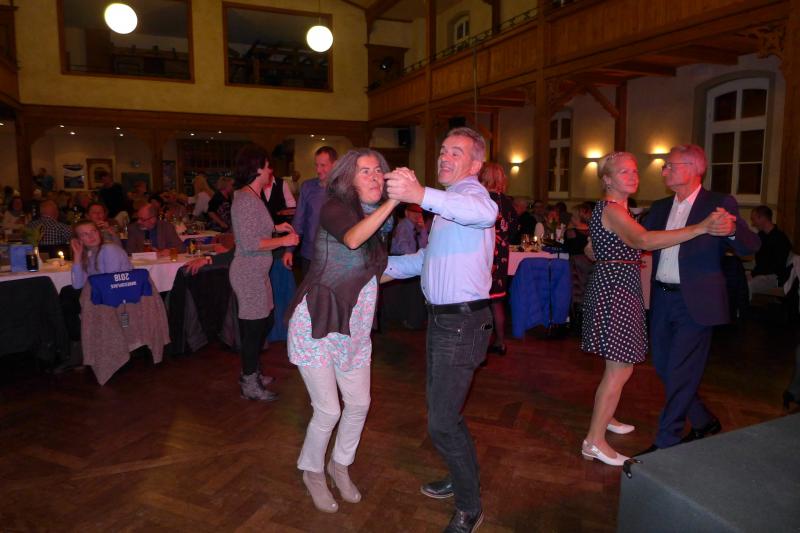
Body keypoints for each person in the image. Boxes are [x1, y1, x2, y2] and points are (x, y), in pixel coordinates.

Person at [580, 151, 731, 467]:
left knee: (617, 366)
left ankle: (606, 416)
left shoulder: (618, 210)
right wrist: (700, 227)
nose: (633, 176)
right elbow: (644, 241)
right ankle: (594, 441)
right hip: (616, 291)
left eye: (634, 171)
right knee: (620, 368)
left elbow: (595, 246)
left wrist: (596, 247)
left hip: (618, 287)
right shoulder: (613, 210)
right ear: (607, 179)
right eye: (624, 172)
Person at [383, 127, 497, 533]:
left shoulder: (472, 196)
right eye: (444, 150)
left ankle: (470, 506)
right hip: (444, 321)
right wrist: (376, 269)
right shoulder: (449, 207)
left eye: (457, 153)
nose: (445, 157)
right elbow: (426, 259)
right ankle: (462, 477)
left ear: (476, 164)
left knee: (442, 421)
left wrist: (420, 194)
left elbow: (486, 213)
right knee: (444, 414)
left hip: (462, 323)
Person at [285, 148, 397, 513]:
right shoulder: (334, 208)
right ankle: (312, 471)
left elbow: (372, 270)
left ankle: (340, 464)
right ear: (348, 178)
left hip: (354, 329)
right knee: (328, 410)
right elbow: (352, 240)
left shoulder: (375, 220)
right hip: (318, 323)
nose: (375, 177)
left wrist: (428, 264)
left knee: (359, 403)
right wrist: (394, 202)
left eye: (378, 170)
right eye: (365, 171)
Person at [639, 144, 759, 454]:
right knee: (664, 367)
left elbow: (750, 245)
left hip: (696, 302)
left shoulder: (718, 203)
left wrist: (731, 230)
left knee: (680, 371)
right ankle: (704, 420)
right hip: (662, 298)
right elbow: (640, 240)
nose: (664, 171)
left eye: (670, 165)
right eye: (665, 166)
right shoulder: (660, 207)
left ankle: (666, 441)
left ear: (694, 169)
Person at [230, 144, 299, 401]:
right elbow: (250, 243)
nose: (271, 171)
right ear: (257, 168)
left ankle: (252, 371)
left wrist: (276, 228)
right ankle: (249, 381)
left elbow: (255, 230)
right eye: (268, 166)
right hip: (248, 274)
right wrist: (284, 241)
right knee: (254, 328)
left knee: (264, 322)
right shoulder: (247, 200)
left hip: (257, 273)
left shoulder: (252, 196)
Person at [478, 162, 519, 356]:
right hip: (501, 256)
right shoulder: (508, 203)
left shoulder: (481, 199)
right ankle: (501, 342)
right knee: (496, 301)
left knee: (480, 303)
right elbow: (513, 231)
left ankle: (480, 345)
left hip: (483, 255)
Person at [282, 146, 338, 274]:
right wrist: (289, 250)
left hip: (336, 257)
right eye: (316, 165)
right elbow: (298, 221)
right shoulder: (307, 187)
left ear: (335, 165)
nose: (318, 170)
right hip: (310, 255)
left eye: (323, 165)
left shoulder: (345, 189)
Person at [70, 220, 132, 289]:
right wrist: (77, 256)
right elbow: (77, 285)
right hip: (104, 291)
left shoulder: (109, 249)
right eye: (84, 234)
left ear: (99, 232)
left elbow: (111, 282)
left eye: (93, 231)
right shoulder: (88, 254)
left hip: (120, 293)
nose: (91, 236)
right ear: (78, 240)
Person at [748, 205, 793, 300]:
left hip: (774, 276)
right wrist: (753, 274)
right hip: (761, 273)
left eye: (754, 219)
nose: (753, 223)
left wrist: (754, 274)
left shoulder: (780, 238)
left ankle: (742, 309)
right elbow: (760, 262)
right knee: (737, 279)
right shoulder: (761, 236)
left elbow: (777, 266)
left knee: (747, 285)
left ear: (762, 218)